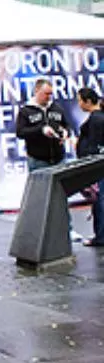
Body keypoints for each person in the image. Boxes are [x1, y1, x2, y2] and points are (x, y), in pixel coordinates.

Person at [16, 78, 69, 171]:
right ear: (36, 91)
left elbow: (66, 125)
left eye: (50, 94)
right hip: (38, 161)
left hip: (59, 159)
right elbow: (20, 132)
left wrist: (66, 132)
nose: (49, 97)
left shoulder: (56, 108)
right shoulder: (26, 111)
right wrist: (41, 130)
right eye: (46, 94)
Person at [76, 87, 104, 247]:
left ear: (87, 101)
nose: (79, 104)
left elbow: (95, 144)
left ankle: (100, 236)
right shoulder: (97, 118)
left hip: (97, 167)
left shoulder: (96, 119)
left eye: (80, 100)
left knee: (100, 201)